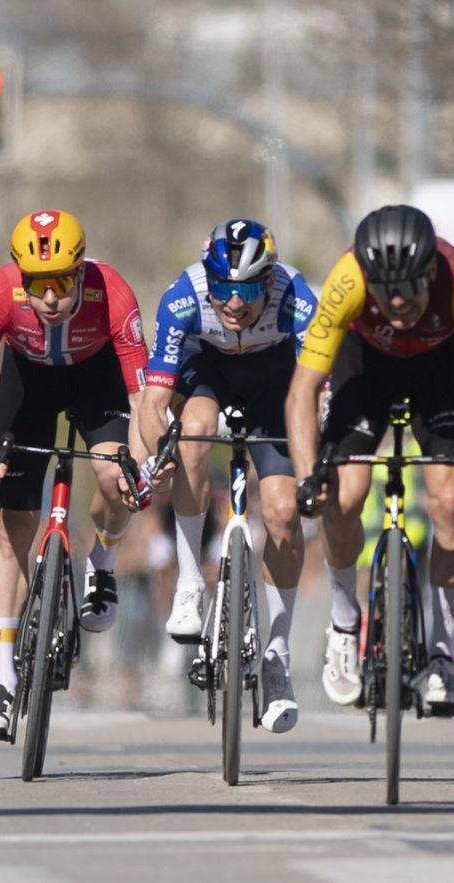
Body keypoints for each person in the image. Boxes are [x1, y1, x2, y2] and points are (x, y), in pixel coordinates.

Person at [288, 205, 454, 716]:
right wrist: (309, 476)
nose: (397, 301)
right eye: (384, 290)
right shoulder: (347, 278)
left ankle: (440, 655)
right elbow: (302, 391)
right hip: (365, 368)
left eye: (409, 289)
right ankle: (344, 623)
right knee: (342, 498)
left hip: (441, 370)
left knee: (450, 502)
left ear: (430, 274)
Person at [0, 210, 149, 739]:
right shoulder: (0, 293)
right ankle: (1, 681)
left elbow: (143, 397)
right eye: (36, 284)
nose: (48, 298)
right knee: (12, 529)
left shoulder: (112, 292)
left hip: (97, 378)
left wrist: (138, 463)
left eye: (61, 283)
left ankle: (102, 563)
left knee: (113, 477)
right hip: (29, 384)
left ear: (81, 271)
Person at [133, 218, 316, 734]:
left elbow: (314, 395)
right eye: (224, 289)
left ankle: (277, 657)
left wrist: (314, 466)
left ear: (269, 282)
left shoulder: (297, 299)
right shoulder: (183, 297)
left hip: (275, 382)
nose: (234, 303)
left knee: (283, 512)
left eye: (250, 291)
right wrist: (160, 452)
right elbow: (154, 401)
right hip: (207, 372)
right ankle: (191, 583)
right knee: (192, 433)